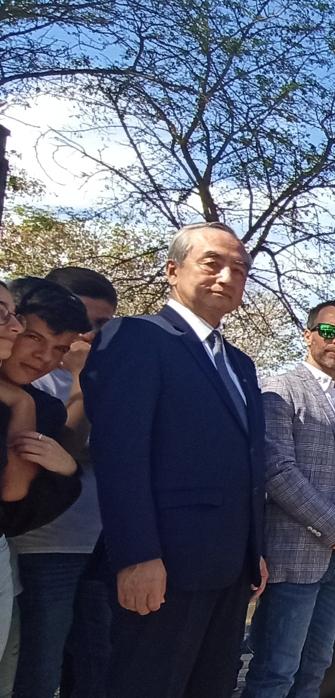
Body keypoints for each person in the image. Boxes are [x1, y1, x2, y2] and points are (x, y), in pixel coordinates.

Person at [82, 221, 269, 697]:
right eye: (213, 263)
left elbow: (248, 465)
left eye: (240, 269)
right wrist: (137, 555)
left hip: (229, 568)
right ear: (172, 269)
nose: (228, 277)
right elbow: (121, 455)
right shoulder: (135, 338)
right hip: (164, 565)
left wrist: (255, 549)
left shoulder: (241, 365)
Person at [241, 300, 335, 698]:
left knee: (315, 669)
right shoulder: (280, 390)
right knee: (276, 671)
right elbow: (277, 470)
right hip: (296, 555)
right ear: (308, 334)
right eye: (329, 331)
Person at [1, 278, 94, 698]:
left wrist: (65, 467)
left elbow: (14, 501)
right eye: (34, 338)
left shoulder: (39, 406)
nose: (44, 357)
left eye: (59, 348)